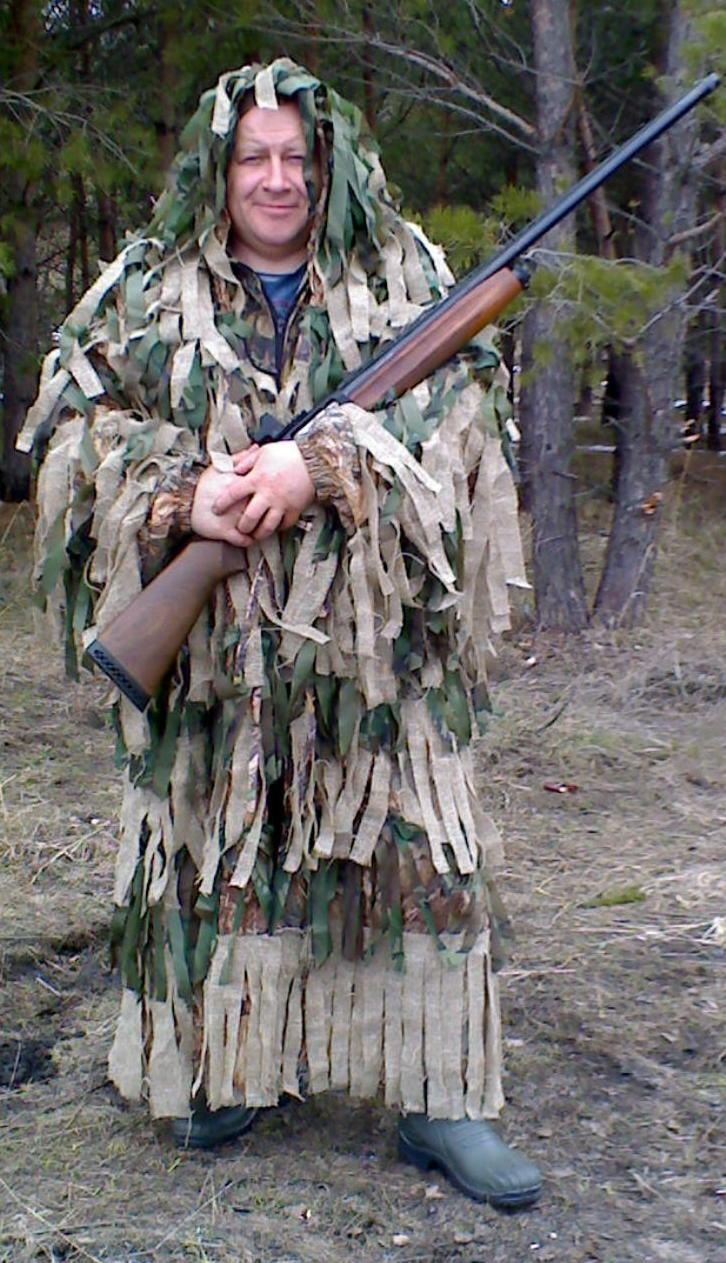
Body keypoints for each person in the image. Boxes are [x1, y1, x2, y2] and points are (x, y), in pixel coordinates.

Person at [19, 58, 540, 1209]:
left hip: (377, 652)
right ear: (219, 168)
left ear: (329, 168)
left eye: (297, 157)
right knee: (222, 851)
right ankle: (231, 1064)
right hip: (218, 653)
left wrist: (328, 465)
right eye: (253, 156)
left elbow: (467, 412)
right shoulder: (147, 285)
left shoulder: (404, 273)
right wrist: (182, 494)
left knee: (413, 851)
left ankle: (439, 1095)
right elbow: (71, 424)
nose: (276, 178)